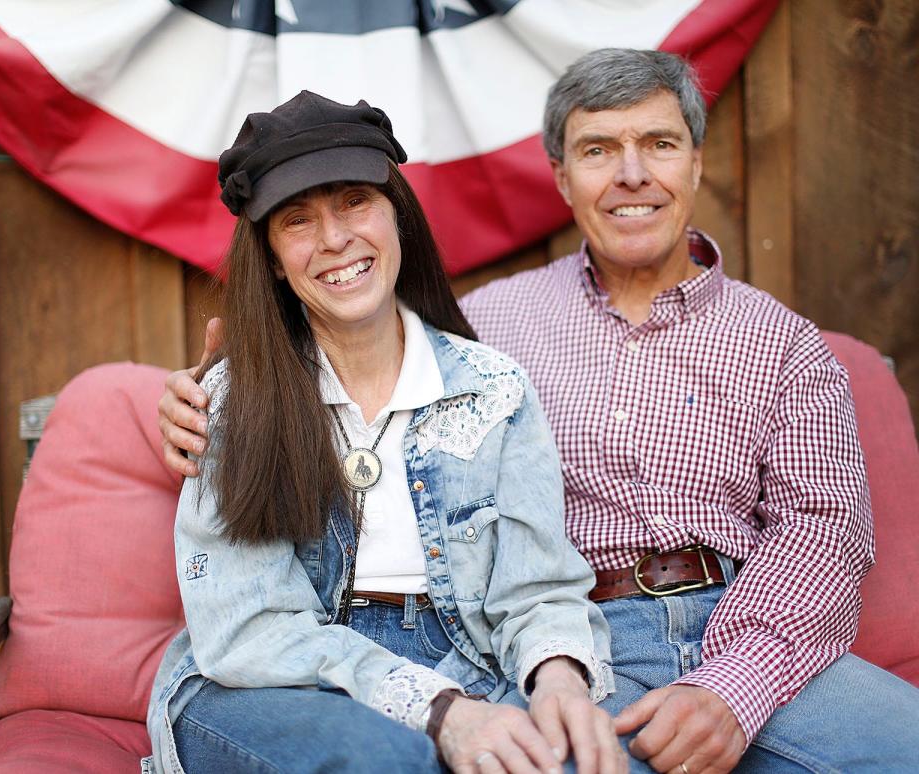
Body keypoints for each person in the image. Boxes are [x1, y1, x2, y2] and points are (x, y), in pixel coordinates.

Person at [158, 51, 919, 772]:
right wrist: (204, 387)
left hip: (732, 618)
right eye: (596, 150)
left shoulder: (787, 346)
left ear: (696, 161)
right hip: (590, 628)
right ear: (560, 175)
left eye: (658, 143)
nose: (631, 175)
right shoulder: (496, 324)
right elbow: (346, 339)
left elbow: (823, 534)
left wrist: (734, 686)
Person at [143, 90, 628, 774]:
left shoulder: (493, 389)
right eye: (297, 220)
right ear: (274, 259)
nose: (336, 238)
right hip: (271, 679)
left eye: (353, 201)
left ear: (397, 215)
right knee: (383, 756)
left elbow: (536, 591)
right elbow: (247, 631)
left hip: (463, 656)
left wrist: (557, 678)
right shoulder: (227, 403)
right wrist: (435, 710)